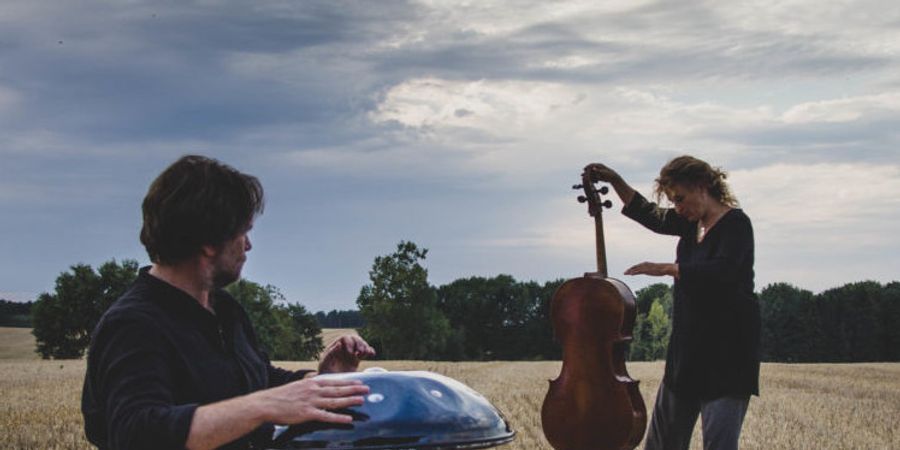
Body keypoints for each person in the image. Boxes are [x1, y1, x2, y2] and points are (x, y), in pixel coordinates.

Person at [82, 155, 376, 450]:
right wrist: (261, 406)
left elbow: (256, 380)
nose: (248, 245)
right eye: (243, 231)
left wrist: (323, 381)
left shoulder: (224, 309)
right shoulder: (133, 325)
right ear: (209, 241)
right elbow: (138, 433)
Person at [584, 155, 760, 450]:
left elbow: (722, 272)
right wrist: (616, 180)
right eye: (673, 201)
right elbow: (651, 215)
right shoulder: (692, 224)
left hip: (728, 359)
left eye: (680, 199)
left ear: (703, 186)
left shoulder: (736, 225)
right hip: (686, 356)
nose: (677, 208)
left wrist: (667, 268)